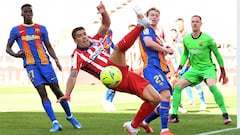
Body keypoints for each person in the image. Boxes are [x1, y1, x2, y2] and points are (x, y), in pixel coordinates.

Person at [57, 2, 162, 135]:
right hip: (113, 76)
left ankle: (133, 126)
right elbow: (73, 76)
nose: (84, 37)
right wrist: (67, 94)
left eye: (84, 34)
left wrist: (103, 12)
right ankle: (141, 25)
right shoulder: (77, 56)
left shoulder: (95, 40)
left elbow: (106, 24)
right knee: (118, 49)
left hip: (125, 73)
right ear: (75, 40)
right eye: (80, 36)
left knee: (155, 99)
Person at [5, 3, 81, 132]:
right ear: (22, 14)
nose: (29, 14)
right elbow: (8, 48)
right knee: (42, 93)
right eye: (26, 12)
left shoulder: (41, 29)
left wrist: (56, 59)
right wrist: (16, 55)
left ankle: (70, 116)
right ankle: (55, 122)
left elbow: (49, 46)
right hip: (30, 66)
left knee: (57, 91)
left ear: (33, 13)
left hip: (45, 63)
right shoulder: (16, 30)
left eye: (30, 11)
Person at [168, 15, 232, 125]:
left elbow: (217, 55)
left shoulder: (208, 39)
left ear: (201, 24)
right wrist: (179, 68)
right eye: (192, 21)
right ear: (190, 23)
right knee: (177, 86)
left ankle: (225, 114)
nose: (194, 23)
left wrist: (223, 72)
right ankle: (174, 115)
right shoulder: (186, 39)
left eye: (197, 21)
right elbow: (185, 55)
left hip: (208, 69)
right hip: (194, 69)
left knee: (212, 86)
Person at [137, 7, 174, 135]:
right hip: (151, 68)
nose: (154, 17)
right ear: (147, 17)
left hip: (159, 68)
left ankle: (145, 122)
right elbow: (148, 43)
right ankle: (164, 130)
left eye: (157, 15)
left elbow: (155, 48)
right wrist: (165, 50)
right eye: (151, 15)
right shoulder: (146, 29)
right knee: (165, 94)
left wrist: (164, 49)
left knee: (164, 100)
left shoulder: (155, 33)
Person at [175, 18, 206, 109]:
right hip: (182, 63)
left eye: (180, 24)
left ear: (184, 24)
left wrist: (187, 63)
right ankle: (191, 100)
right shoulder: (177, 37)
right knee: (184, 82)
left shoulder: (188, 35)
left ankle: (203, 102)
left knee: (195, 82)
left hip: (190, 63)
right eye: (177, 24)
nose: (179, 26)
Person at [102, 29, 117, 112]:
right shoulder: (100, 35)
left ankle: (109, 101)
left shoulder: (110, 32)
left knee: (115, 81)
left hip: (109, 59)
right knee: (112, 81)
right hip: (103, 60)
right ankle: (107, 101)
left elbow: (111, 44)